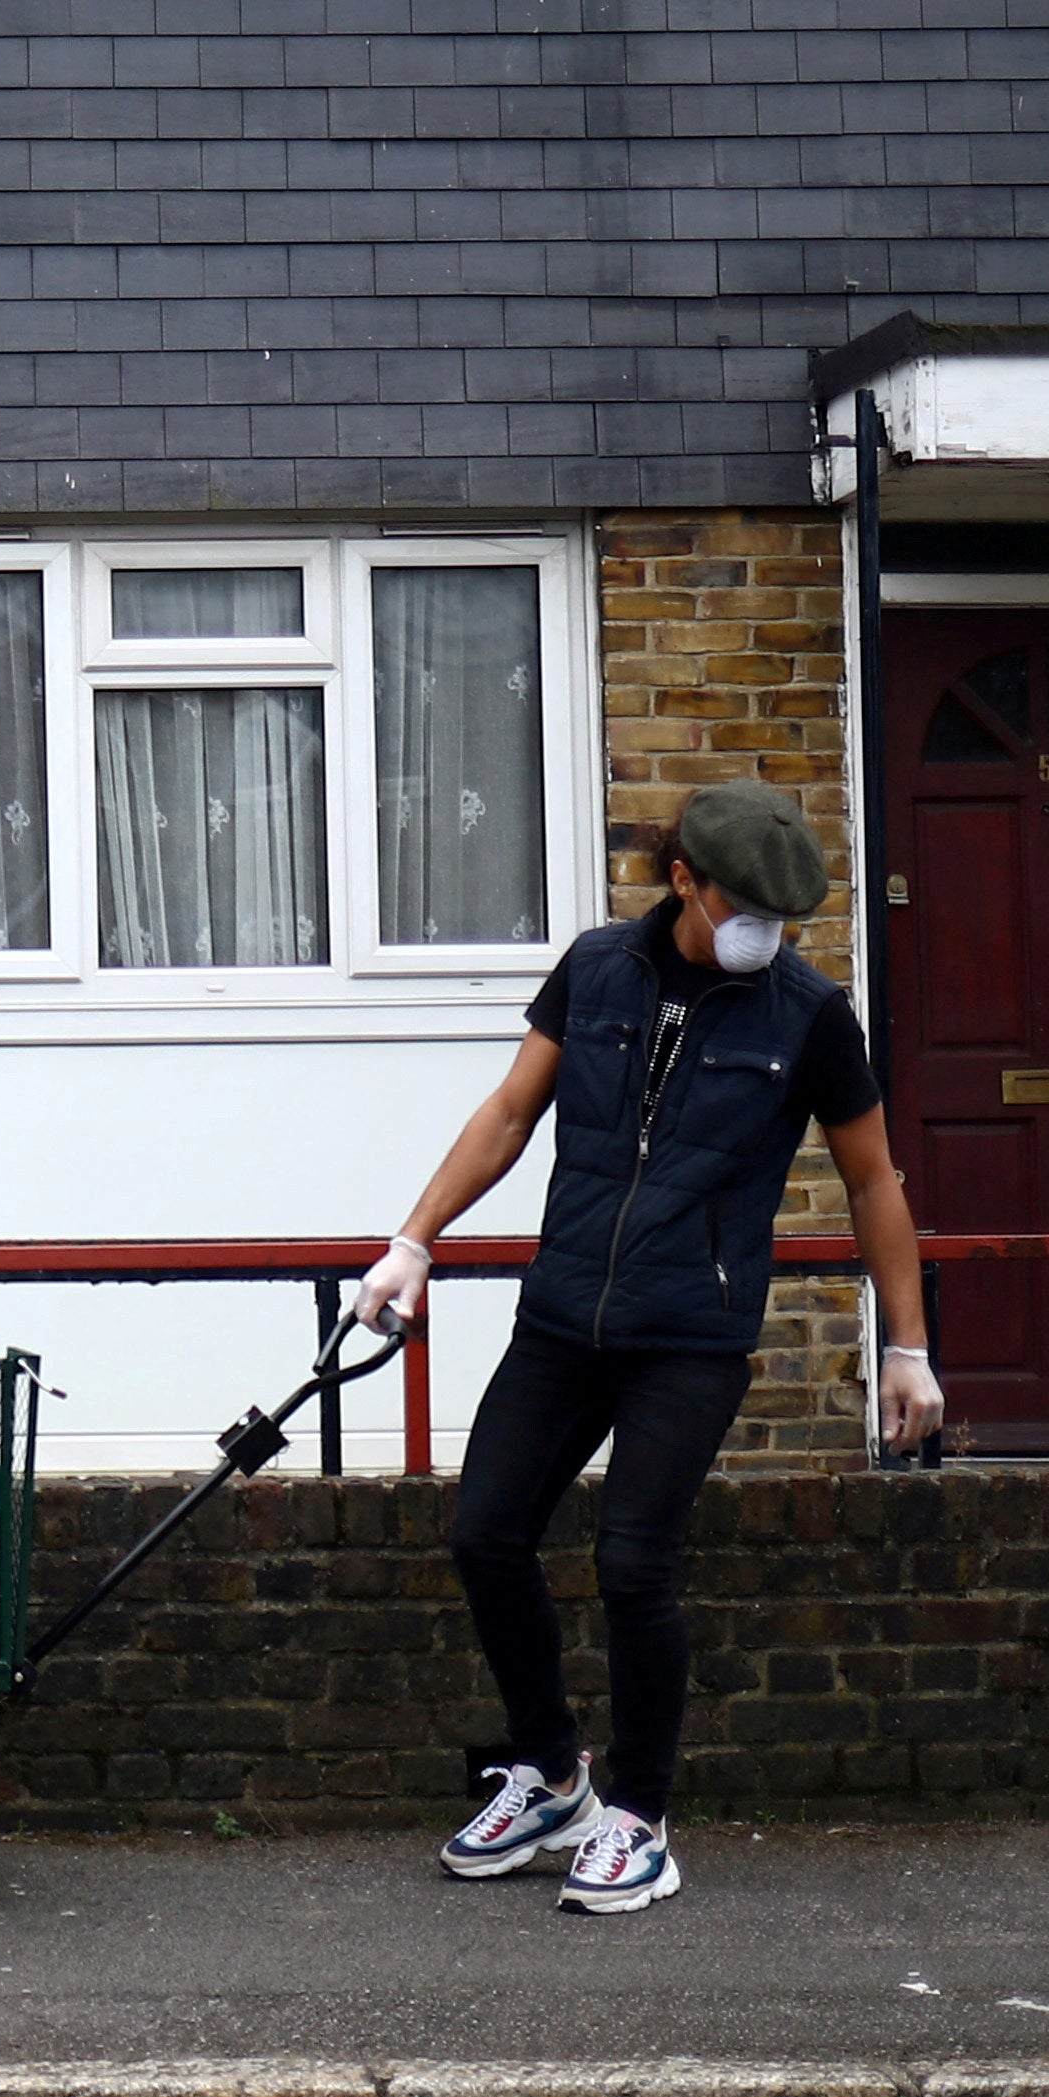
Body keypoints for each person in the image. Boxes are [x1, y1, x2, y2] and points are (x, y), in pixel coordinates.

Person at [354, 776, 942, 1919]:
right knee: (485, 1530)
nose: (764, 933)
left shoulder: (809, 1016)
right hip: (565, 1311)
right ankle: (552, 1777)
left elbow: (872, 1179)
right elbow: (511, 1112)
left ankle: (639, 1815)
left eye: (785, 914)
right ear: (684, 878)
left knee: (633, 1562)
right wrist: (412, 1241)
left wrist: (907, 1347)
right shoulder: (595, 968)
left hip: (691, 1330)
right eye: (745, 906)